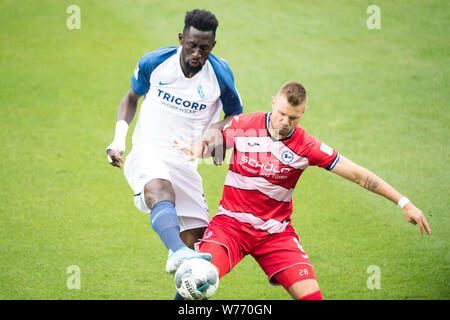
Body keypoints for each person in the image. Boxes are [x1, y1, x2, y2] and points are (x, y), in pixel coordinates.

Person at [175, 81, 431, 300]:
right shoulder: (245, 125)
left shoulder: (306, 146)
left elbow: (358, 175)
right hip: (230, 227)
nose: (285, 122)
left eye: (293, 118)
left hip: (274, 235)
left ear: (303, 113)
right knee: (195, 281)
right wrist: (202, 147)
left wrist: (403, 202)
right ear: (274, 102)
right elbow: (216, 139)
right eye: (282, 113)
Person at [105, 9, 243, 276]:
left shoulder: (220, 75)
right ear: (182, 38)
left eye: (204, 48)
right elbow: (131, 98)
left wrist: (218, 128)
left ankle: (184, 264)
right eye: (192, 46)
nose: (197, 54)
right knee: (160, 190)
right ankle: (176, 251)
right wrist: (118, 140)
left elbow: (235, 115)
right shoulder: (155, 62)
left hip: (186, 164)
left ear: (213, 46)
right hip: (148, 152)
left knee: (199, 252)